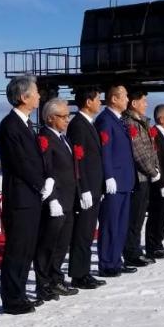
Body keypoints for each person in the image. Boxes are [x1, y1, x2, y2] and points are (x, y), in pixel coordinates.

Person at [0, 75, 50, 314]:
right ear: (23, 97)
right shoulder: (10, 125)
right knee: (17, 249)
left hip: (31, 197)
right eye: (35, 92)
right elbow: (20, 162)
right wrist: (41, 183)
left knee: (27, 248)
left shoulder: (26, 124)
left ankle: (19, 294)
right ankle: (12, 298)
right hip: (20, 197)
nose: (39, 96)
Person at [34, 97, 78, 300]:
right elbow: (46, 170)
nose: (67, 120)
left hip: (69, 198)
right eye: (63, 116)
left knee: (62, 243)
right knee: (48, 243)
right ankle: (43, 283)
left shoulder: (63, 138)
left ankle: (56, 278)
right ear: (50, 118)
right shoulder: (44, 137)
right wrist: (51, 198)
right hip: (56, 200)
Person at [66, 87, 105, 290]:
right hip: (87, 188)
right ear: (88, 102)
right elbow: (78, 159)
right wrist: (83, 188)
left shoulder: (89, 124)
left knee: (89, 232)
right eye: (98, 99)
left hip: (95, 186)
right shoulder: (78, 125)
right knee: (82, 232)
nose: (100, 102)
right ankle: (79, 274)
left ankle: (84, 271)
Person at [96, 84, 136, 277]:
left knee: (121, 224)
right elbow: (105, 150)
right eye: (125, 96)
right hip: (114, 181)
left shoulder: (119, 120)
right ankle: (107, 263)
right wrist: (108, 175)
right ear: (114, 98)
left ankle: (115, 259)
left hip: (125, 180)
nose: (127, 100)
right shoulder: (105, 120)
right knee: (110, 224)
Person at [122, 89, 162, 266]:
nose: (146, 104)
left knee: (139, 217)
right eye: (143, 101)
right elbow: (138, 152)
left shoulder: (141, 122)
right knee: (134, 218)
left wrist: (155, 169)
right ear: (134, 103)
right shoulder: (130, 122)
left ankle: (136, 249)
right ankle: (131, 252)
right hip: (138, 177)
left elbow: (150, 150)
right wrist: (152, 171)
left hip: (145, 176)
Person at [145, 103, 164, 258]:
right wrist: (161, 182)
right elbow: (155, 160)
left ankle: (159, 243)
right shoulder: (154, 134)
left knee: (163, 215)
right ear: (162, 118)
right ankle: (153, 246)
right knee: (156, 215)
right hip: (159, 183)